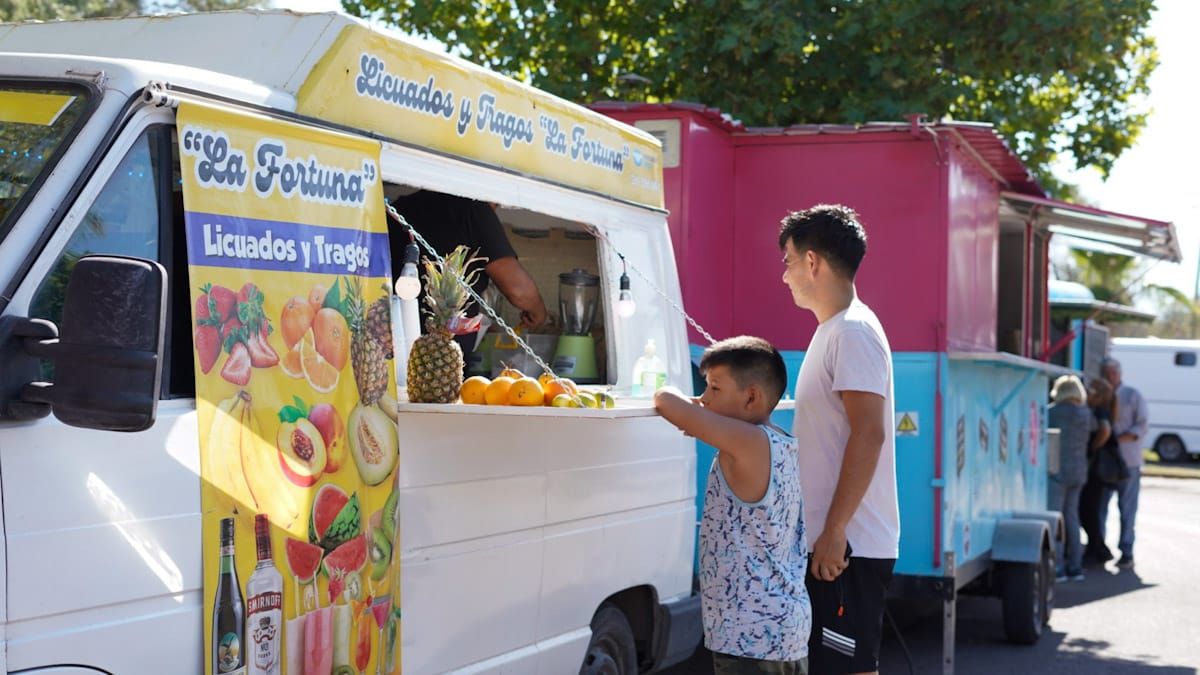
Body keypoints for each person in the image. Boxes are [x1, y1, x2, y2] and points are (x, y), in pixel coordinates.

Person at [778, 204, 897, 675]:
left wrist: (834, 531)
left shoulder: (853, 331)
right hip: (834, 543)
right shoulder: (833, 330)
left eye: (787, 261)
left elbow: (869, 434)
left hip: (850, 548)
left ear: (812, 262)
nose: (784, 276)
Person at [655, 336, 810, 675]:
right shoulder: (779, 442)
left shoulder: (749, 442)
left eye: (713, 388)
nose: (704, 398)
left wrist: (685, 405)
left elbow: (667, 402)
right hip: (783, 628)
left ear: (752, 396)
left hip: (752, 636)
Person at [388, 190, 547, 353]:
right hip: (438, 352)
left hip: (389, 342)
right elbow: (519, 291)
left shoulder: (401, 205)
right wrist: (538, 312)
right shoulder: (474, 208)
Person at [1098, 357, 1148, 570]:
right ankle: (1098, 548)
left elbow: (1142, 425)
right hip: (1105, 461)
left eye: (1113, 373)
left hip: (1128, 460)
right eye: (1106, 373)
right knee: (1099, 508)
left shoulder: (1132, 395)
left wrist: (1121, 438)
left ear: (1119, 373)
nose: (1110, 377)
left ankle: (1126, 551)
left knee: (1127, 509)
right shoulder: (1099, 396)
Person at [1047, 375, 1096, 581]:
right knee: (1072, 519)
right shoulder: (1086, 415)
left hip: (1056, 471)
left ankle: (1058, 566)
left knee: (1055, 519)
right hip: (1079, 471)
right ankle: (1075, 566)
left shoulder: (1053, 412)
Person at [1081, 377, 1116, 566]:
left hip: (1097, 470)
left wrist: (1093, 448)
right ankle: (1099, 548)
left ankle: (1097, 549)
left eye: (1090, 391)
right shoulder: (1100, 410)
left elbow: (1105, 431)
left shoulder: (1100, 411)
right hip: (1097, 469)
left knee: (1089, 510)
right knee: (1089, 510)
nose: (1086, 394)